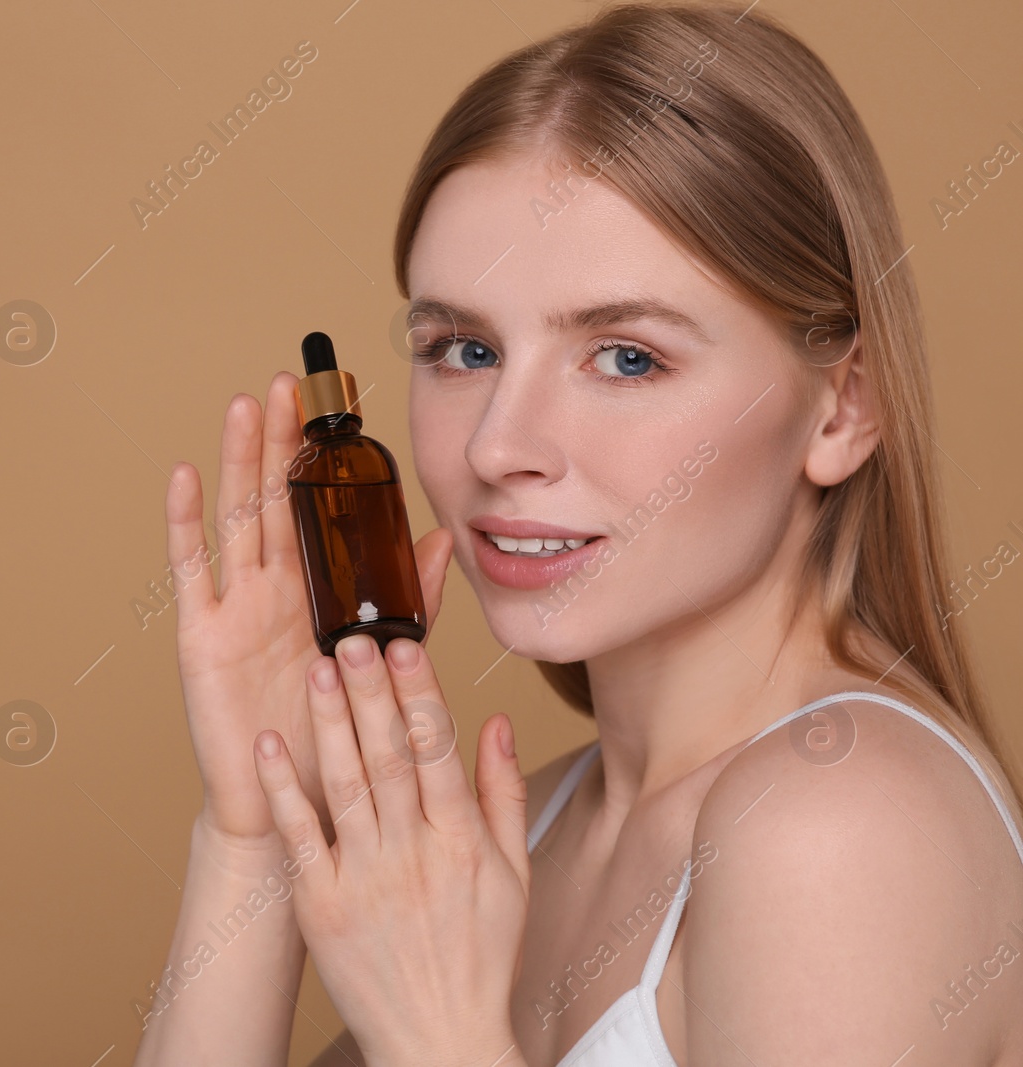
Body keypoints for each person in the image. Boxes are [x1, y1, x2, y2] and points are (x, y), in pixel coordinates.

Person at [133, 2, 1023, 1064]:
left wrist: (441, 1036)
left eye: (626, 357)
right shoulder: (529, 830)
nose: (499, 444)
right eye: (461, 349)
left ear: (841, 408)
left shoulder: (838, 822)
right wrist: (257, 828)